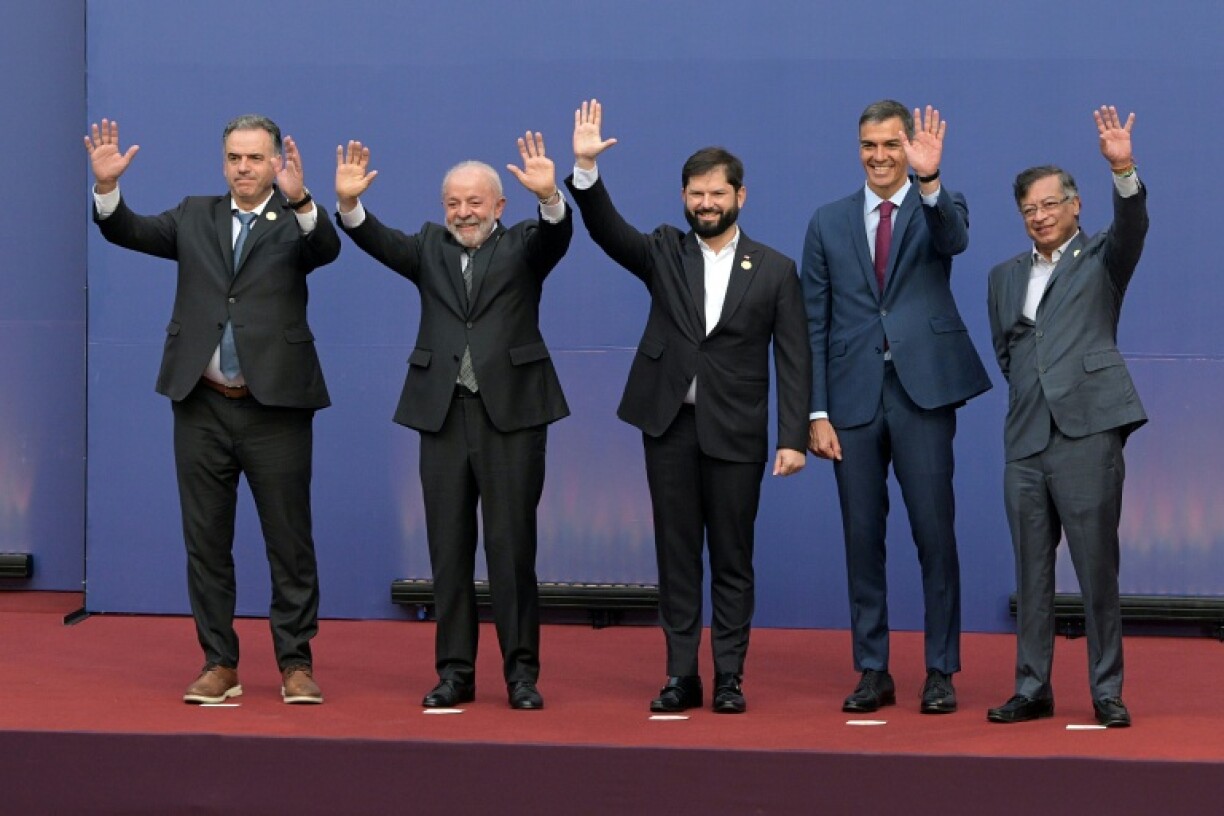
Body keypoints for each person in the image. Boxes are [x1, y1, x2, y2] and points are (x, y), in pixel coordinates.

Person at [566, 99, 811, 714]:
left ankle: (728, 676)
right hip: (668, 426)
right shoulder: (662, 251)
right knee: (676, 558)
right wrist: (586, 171)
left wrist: (792, 438)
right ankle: (681, 675)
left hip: (737, 432)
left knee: (732, 559)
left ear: (740, 197)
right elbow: (604, 230)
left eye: (716, 193)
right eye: (695, 194)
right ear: (683, 197)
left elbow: (795, 358)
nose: (706, 203)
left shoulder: (776, 270)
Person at [85, 115, 340, 704]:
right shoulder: (194, 214)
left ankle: (296, 664)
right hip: (200, 405)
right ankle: (219, 663)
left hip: (276, 406)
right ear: (223, 162)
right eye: (234, 158)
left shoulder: (294, 221)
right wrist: (106, 189)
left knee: (289, 541)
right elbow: (128, 230)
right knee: (206, 541)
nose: (243, 168)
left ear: (277, 162)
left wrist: (303, 200)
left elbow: (325, 248)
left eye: (254, 158)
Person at [334, 133, 571, 710]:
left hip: (511, 416)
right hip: (441, 414)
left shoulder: (524, 246)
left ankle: (521, 676)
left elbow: (557, 235)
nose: (463, 212)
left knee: (512, 549)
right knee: (448, 549)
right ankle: (455, 673)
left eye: (474, 202)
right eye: (453, 203)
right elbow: (377, 240)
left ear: (499, 206)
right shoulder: (428, 248)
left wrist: (551, 199)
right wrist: (347, 206)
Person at [801, 100, 991, 715]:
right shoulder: (827, 221)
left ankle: (940, 671)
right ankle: (873, 669)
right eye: (869, 145)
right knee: (862, 538)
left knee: (935, 534)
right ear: (857, 148)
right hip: (851, 400)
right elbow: (814, 323)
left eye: (891, 144)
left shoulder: (941, 204)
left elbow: (953, 242)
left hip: (923, 393)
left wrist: (930, 180)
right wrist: (816, 411)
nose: (879, 156)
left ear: (909, 146)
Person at [985, 106, 1147, 728]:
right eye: (1029, 209)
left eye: (1051, 205)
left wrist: (1123, 167)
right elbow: (1010, 353)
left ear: (1075, 207)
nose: (1040, 216)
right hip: (1025, 440)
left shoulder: (1104, 257)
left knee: (1096, 569)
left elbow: (1133, 221)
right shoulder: (1003, 277)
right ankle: (1033, 688)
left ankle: (1107, 691)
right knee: (1031, 574)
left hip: (1088, 434)